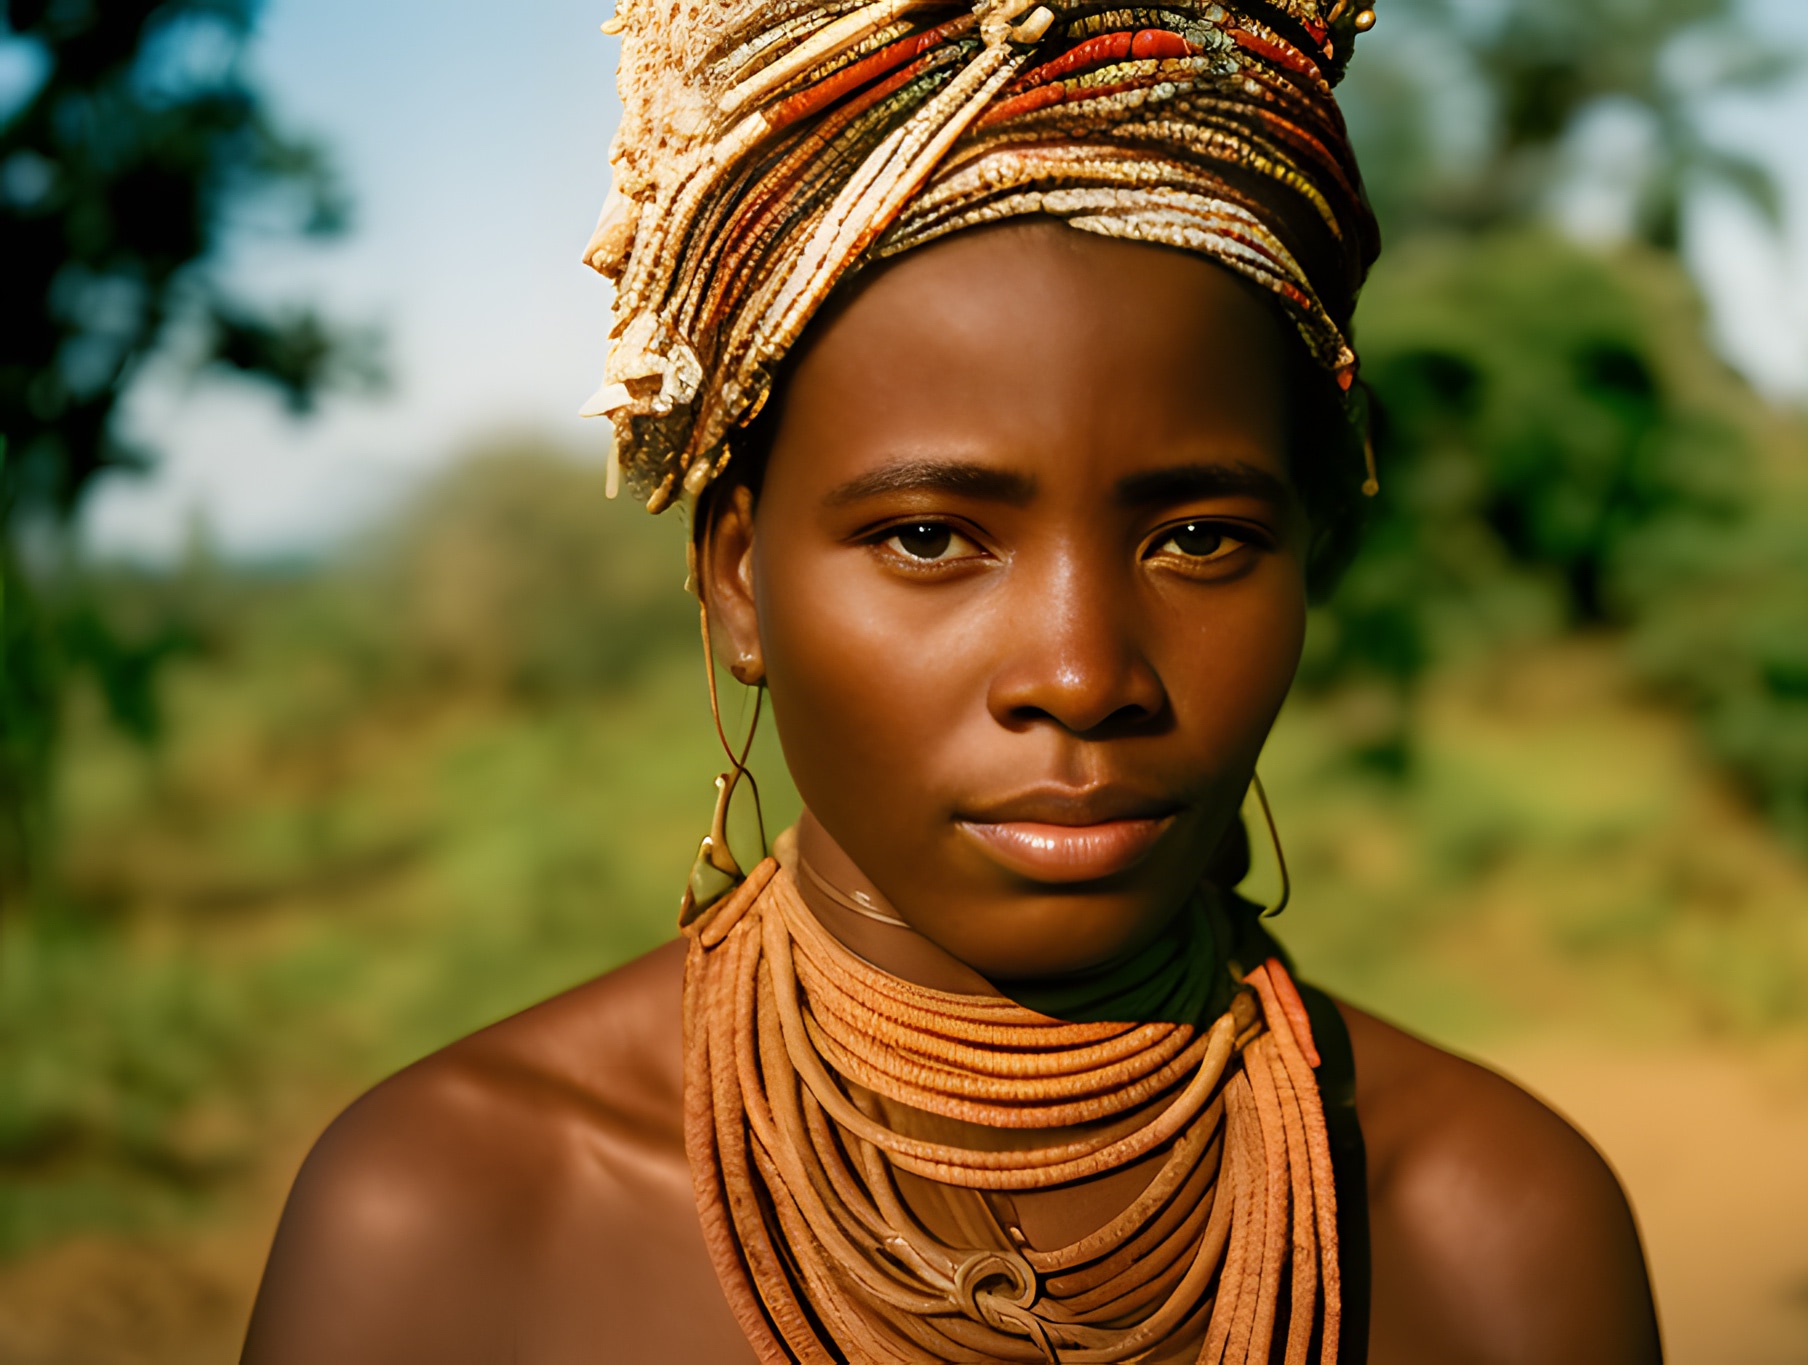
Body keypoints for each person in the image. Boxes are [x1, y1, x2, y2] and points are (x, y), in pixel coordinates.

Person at [242, 0, 1662, 1360]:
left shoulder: (1498, 1235)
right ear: (738, 575)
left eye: (1200, 538)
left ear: (1313, 552)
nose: (1082, 673)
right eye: (930, 537)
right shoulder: (450, 1224)